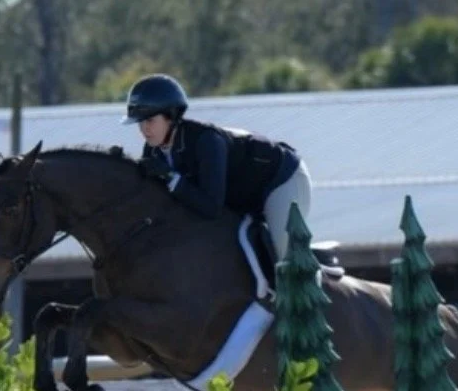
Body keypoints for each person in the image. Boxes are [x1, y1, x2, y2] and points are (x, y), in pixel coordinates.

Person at [121, 73, 314, 260]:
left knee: (288, 260)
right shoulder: (153, 150)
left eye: (150, 120)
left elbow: (211, 207)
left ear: (171, 116)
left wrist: (171, 177)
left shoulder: (207, 141)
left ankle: (309, 281)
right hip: (243, 195)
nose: (144, 129)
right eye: (140, 122)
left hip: (281, 180)